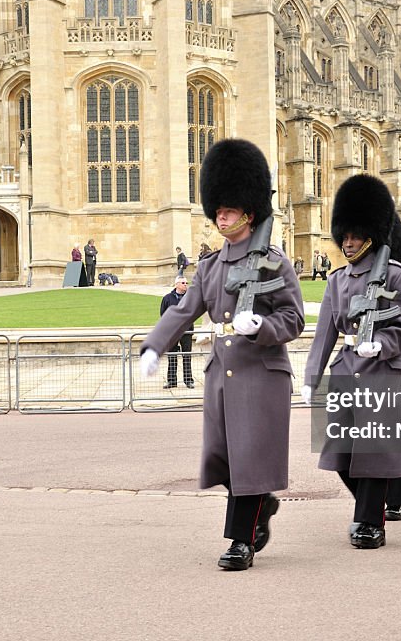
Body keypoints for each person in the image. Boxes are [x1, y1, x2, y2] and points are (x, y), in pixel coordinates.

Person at [139, 138, 304, 571]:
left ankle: (240, 542)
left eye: (228, 209)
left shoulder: (274, 262)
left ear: (249, 213)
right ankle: (261, 506)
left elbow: (294, 319)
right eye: (218, 209)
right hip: (221, 375)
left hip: (261, 374)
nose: (220, 216)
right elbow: (183, 311)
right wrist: (154, 345)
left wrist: (263, 327)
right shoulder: (209, 267)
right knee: (228, 460)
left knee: (249, 460)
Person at [302, 174, 401, 549]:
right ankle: (374, 505)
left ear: (370, 235)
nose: (348, 242)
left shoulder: (396, 276)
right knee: (339, 453)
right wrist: (311, 376)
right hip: (346, 371)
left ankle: (369, 522)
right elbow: (324, 334)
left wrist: (380, 345)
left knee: (374, 451)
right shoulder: (336, 280)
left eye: (354, 235)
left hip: (382, 372)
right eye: (344, 236)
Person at [160, 275, 195, 389]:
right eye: (183, 283)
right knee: (172, 356)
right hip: (172, 332)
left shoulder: (190, 297)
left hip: (186, 331)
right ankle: (171, 381)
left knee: (187, 356)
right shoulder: (167, 298)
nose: (186, 285)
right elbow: (163, 314)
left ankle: (188, 380)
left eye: (186, 283)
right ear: (177, 284)